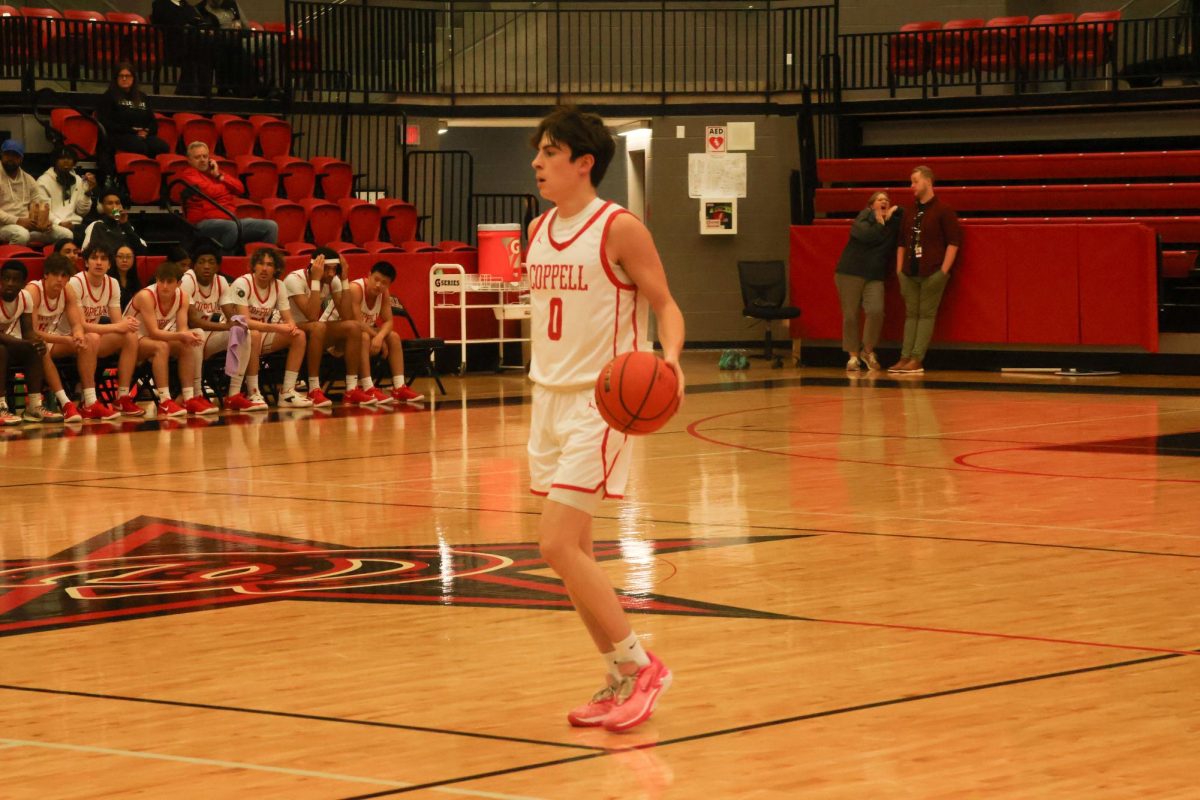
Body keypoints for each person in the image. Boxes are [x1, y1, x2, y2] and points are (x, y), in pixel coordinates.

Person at [525, 106, 684, 732]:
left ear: (583, 161)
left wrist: (667, 362)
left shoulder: (619, 228)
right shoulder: (539, 229)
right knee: (575, 554)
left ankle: (644, 667)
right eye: (537, 152)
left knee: (555, 543)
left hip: (603, 401)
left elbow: (666, 305)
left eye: (549, 152)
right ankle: (618, 677)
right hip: (547, 399)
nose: (537, 162)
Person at [67, 244, 156, 417]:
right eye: (94, 258)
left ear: (109, 264)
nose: (99, 263)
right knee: (92, 336)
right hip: (69, 337)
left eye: (104, 259)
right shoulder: (75, 283)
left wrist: (127, 323)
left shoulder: (112, 283)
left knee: (130, 334)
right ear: (86, 263)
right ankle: (89, 401)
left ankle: (122, 398)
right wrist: (118, 326)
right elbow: (80, 325)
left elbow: (117, 322)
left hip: (93, 339)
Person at [219, 247, 312, 409]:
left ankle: (288, 392)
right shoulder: (243, 283)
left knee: (299, 335)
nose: (264, 268)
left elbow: (288, 318)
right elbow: (244, 322)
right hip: (234, 336)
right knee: (253, 334)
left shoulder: (279, 286)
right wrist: (277, 327)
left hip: (260, 334)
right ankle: (253, 391)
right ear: (253, 266)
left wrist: (290, 326)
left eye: (269, 264)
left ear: (276, 269)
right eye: (261, 263)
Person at [892, 166, 962, 375]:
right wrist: (899, 271)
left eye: (915, 181)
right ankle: (905, 356)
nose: (911, 186)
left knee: (925, 315)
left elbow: (953, 242)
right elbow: (901, 243)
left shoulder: (943, 210)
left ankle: (917, 358)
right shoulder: (909, 211)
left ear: (928, 182)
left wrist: (943, 271)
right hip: (909, 273)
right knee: (911, 314)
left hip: (932, 272)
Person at [125, 261, 215, 416]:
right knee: (161, 346)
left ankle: (188, 398)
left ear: (179, 283)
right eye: (161, 281)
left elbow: (182, 329)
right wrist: (182, 335)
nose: (165, 286)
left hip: (154, 339)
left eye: (170, 282)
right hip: (130, 342)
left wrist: (186, 336)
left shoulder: (183, 298)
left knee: (186, 344)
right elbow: (153, 332)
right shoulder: (146, 296)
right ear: (156, 280)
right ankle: (165, 401)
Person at [327, 260, 424, 404]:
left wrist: (380, 337)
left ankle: (399, 386)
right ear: (369, 276)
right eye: (376, 279)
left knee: (394, 337)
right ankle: (368, 387)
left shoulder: (383, 294)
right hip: (332, 338)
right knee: (364, 336)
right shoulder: (356, 288)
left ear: (389, 284)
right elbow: (357, 323)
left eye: (384, 282)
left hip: (358, 337)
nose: (379, 285)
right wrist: (378, 338)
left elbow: (389, 321)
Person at [280, 247, 363, 408]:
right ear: (315, 267)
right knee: (318, 326)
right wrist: (316, 281)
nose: (332, 274)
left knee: (353, 327)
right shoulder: (294, 279)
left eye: (334, 269)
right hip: (285, 328)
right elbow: (311, 315)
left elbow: (346, 316)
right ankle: (314, 388)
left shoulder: (333, 280)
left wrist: (344, 278)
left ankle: (352, 389)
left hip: (311, 330)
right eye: (327, 269)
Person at [25, 253, 100, 422]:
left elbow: (76, 325)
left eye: (64, 275)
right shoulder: (34, 291)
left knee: (90, 339)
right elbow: (33, 331)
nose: (60, 279)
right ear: (46, 274)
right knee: (41, 345)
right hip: (24, 341)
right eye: (56, 274)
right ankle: (66, 403)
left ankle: (89, 401)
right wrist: (65, 339)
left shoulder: (67, 291)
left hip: (51, 339)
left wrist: (79, 336)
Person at [836, 191, 902, 371]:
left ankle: (867, 350)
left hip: (874, 275)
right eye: (880, 199)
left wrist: (895, 210)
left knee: (876, 311)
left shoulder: (892, 222)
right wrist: (880, 223)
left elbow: (906, 215)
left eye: (887, 200)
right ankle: (853, 356)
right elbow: (864, 235)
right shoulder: (865, 217)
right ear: (871, 205)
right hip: (850, 272)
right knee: (850, 315)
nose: (885, 202)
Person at [178, 141, 278, 253]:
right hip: (203, 223)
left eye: (205, 156)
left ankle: (264, 264)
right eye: (197, 157)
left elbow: (240, 189)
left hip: (230, 220)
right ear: (189, 160)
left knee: (270, 226)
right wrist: (226, 189)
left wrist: (219, 176)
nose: (202, 160)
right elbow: (210, 192)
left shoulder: (215, 173)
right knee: (231, 227)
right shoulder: (188, 175)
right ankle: (225, 264)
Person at [0, 260, 64, 423]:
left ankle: (34, 406)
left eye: (15, 280)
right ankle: (0, 407)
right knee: (0, 350)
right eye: (6, 278)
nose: (10, 283)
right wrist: (24, 343)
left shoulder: (25, 297)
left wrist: (36, 342)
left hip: (9, 344)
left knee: (35, 348)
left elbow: (28, 331)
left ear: (23, 283)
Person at [182, 244, 239, 400]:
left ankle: (235, 392)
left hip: (210, 337)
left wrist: (236, 322)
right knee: (197, 333)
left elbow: (230, 315)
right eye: (201, 262)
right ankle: (196, 392)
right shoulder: (188, 280)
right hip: (186, 337)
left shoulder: (221, 282)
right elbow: (192, 321)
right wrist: (225, 326)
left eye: (211, 262)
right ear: (194, 265)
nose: (206, 266)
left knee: (242, 333)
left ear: (218, 266)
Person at [1, 139, 70, 247]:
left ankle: (51, 261)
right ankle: (11, 263)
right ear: (1, 155)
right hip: (3, 226)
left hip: (28, 226)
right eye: (7, 154)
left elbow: (40, 205)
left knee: (66, 235)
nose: (11, 158)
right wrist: (17, 220)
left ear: (21, 159)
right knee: (21, 235)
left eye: (15, 155)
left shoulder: (29, 180)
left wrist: (46, 221)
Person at [95, 63, 170, 157]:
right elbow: (105, 122)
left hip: (142, 135)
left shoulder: (142, 97)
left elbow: (152, 121)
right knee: (140, 147)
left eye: (127, 76)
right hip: (120, 135)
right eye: (121, 76)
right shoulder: (109, 96)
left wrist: (147, 131)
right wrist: (131, 131)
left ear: (133, 78)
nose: (124, 79)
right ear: (116, 78)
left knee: (162, 147)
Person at [35, 147, 96, 239]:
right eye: (62, 158)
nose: (66, 161)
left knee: (95, 230)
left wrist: (88, 192)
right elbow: (44, 211)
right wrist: (59, 222)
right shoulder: (43, 182)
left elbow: (81, 212)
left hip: (75, 225)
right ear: (55, 161)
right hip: (53, 225)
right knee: (70, 234)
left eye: (69, 158)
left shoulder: (79, 180)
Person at [81, 190, 149, 259]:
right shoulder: (96, 225)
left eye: (117, 203)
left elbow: (142, 251)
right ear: (102, 207)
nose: (114, 207)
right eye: (110, 203)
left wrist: (125, 225)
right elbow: (86, 253)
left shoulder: (127, 227)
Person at [109, 245, 142, 309]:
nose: (124, 260)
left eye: (128, 257)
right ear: (114, 258)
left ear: (133, 259)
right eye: (120, 256)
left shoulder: (135, 280)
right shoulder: (108, 279)